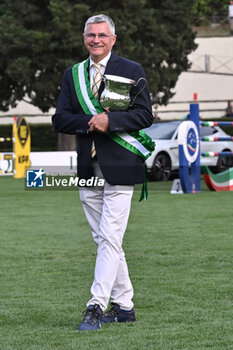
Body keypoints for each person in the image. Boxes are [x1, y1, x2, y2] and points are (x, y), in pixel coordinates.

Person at [52, 14, 154, 331]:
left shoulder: (130, 70)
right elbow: (60, 119)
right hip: (88, 166)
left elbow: (145, 115)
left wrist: (113, 121)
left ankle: (96, 305)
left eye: (101, 35)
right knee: (104, 239)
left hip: (121, 164)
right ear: (84, 38)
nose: (95, 40)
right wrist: (91, 120)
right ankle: (124, 306)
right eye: (90, 35)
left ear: (113, 38)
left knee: (109, 238)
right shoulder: (74, 75)